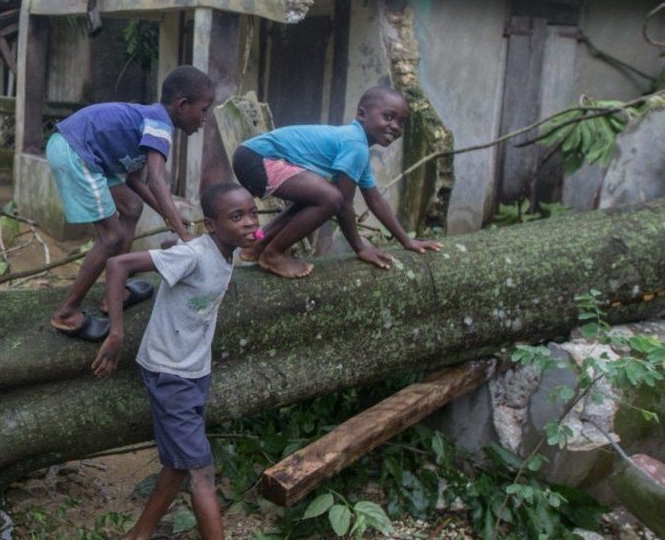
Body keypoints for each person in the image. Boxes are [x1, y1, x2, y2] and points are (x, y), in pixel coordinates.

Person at [92, 182, 259, 540]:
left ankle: (140, 533)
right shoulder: (194, 254)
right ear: (211, 224)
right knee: (201, 471)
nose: (249, 222)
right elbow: (117, 264)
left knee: (177, 463)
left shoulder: (224, 251)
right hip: (170, 373)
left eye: (252, 213)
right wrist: (116, 334)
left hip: (195, 370)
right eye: (237, 216)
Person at [47, 65, 215, 336]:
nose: (204, 118)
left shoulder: (150, 122)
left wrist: (167, 213)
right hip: (74, 150)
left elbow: (136, 181)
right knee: (111, 236)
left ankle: (115, 289)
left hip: (87, 154)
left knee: (131, 206)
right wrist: (183, 233)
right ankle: (67, 312)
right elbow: (157, 181)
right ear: (183, 105)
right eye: (204, 110)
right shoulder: (159, 126)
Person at [232, 85, 443, 278]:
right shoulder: (355, 144)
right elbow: (342, 204)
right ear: (362, 114)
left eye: (401, 122)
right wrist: (360, 248)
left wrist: (406, 240)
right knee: (331, 198)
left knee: (317, 198)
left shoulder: (357, 148)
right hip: (257, 159)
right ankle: (273, 254)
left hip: (250, 156)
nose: (395, 126)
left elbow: (375, 200)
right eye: (389, 117)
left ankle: (258, 243)